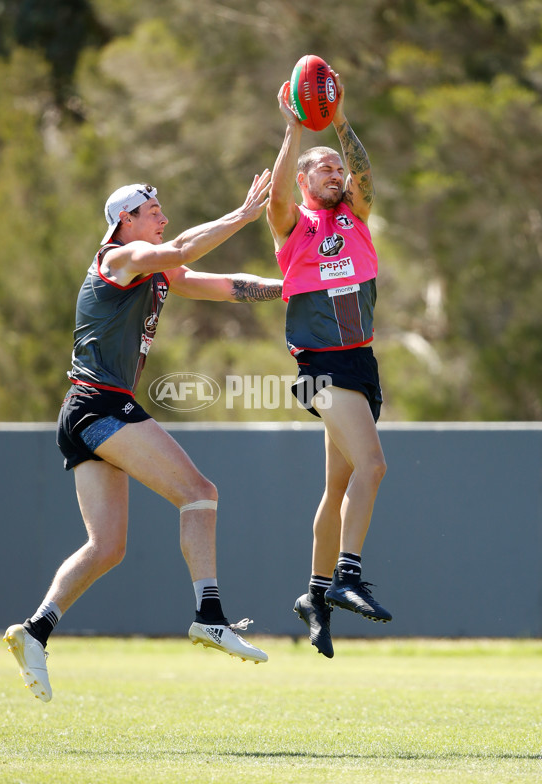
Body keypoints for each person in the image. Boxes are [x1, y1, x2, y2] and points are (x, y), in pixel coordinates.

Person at [4, 171, 282, 701]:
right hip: (99, 406)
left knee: (106, 547)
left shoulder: (153, 270)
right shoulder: (118, 259)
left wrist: (292, 287)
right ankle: (210, 614)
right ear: (125, 220)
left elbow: (222, 286)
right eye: (154, 212)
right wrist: (243, 215)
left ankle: (34, 631)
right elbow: (180, 247)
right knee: (199, 494)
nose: (164, 219)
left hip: (82, 411)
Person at [266, 73, 392, 659]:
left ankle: (314, 594)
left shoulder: (357, 216)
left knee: (339, 484)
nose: (338, 176)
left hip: (360, 364)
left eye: (339, 170)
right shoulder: (296, 226)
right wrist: (294, 127)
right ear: (302, 180)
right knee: (373, 466)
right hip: (320, 365)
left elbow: (365, 174)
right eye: (325, 171)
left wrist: (339, 121)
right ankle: (347, 573)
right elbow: (275, 201)